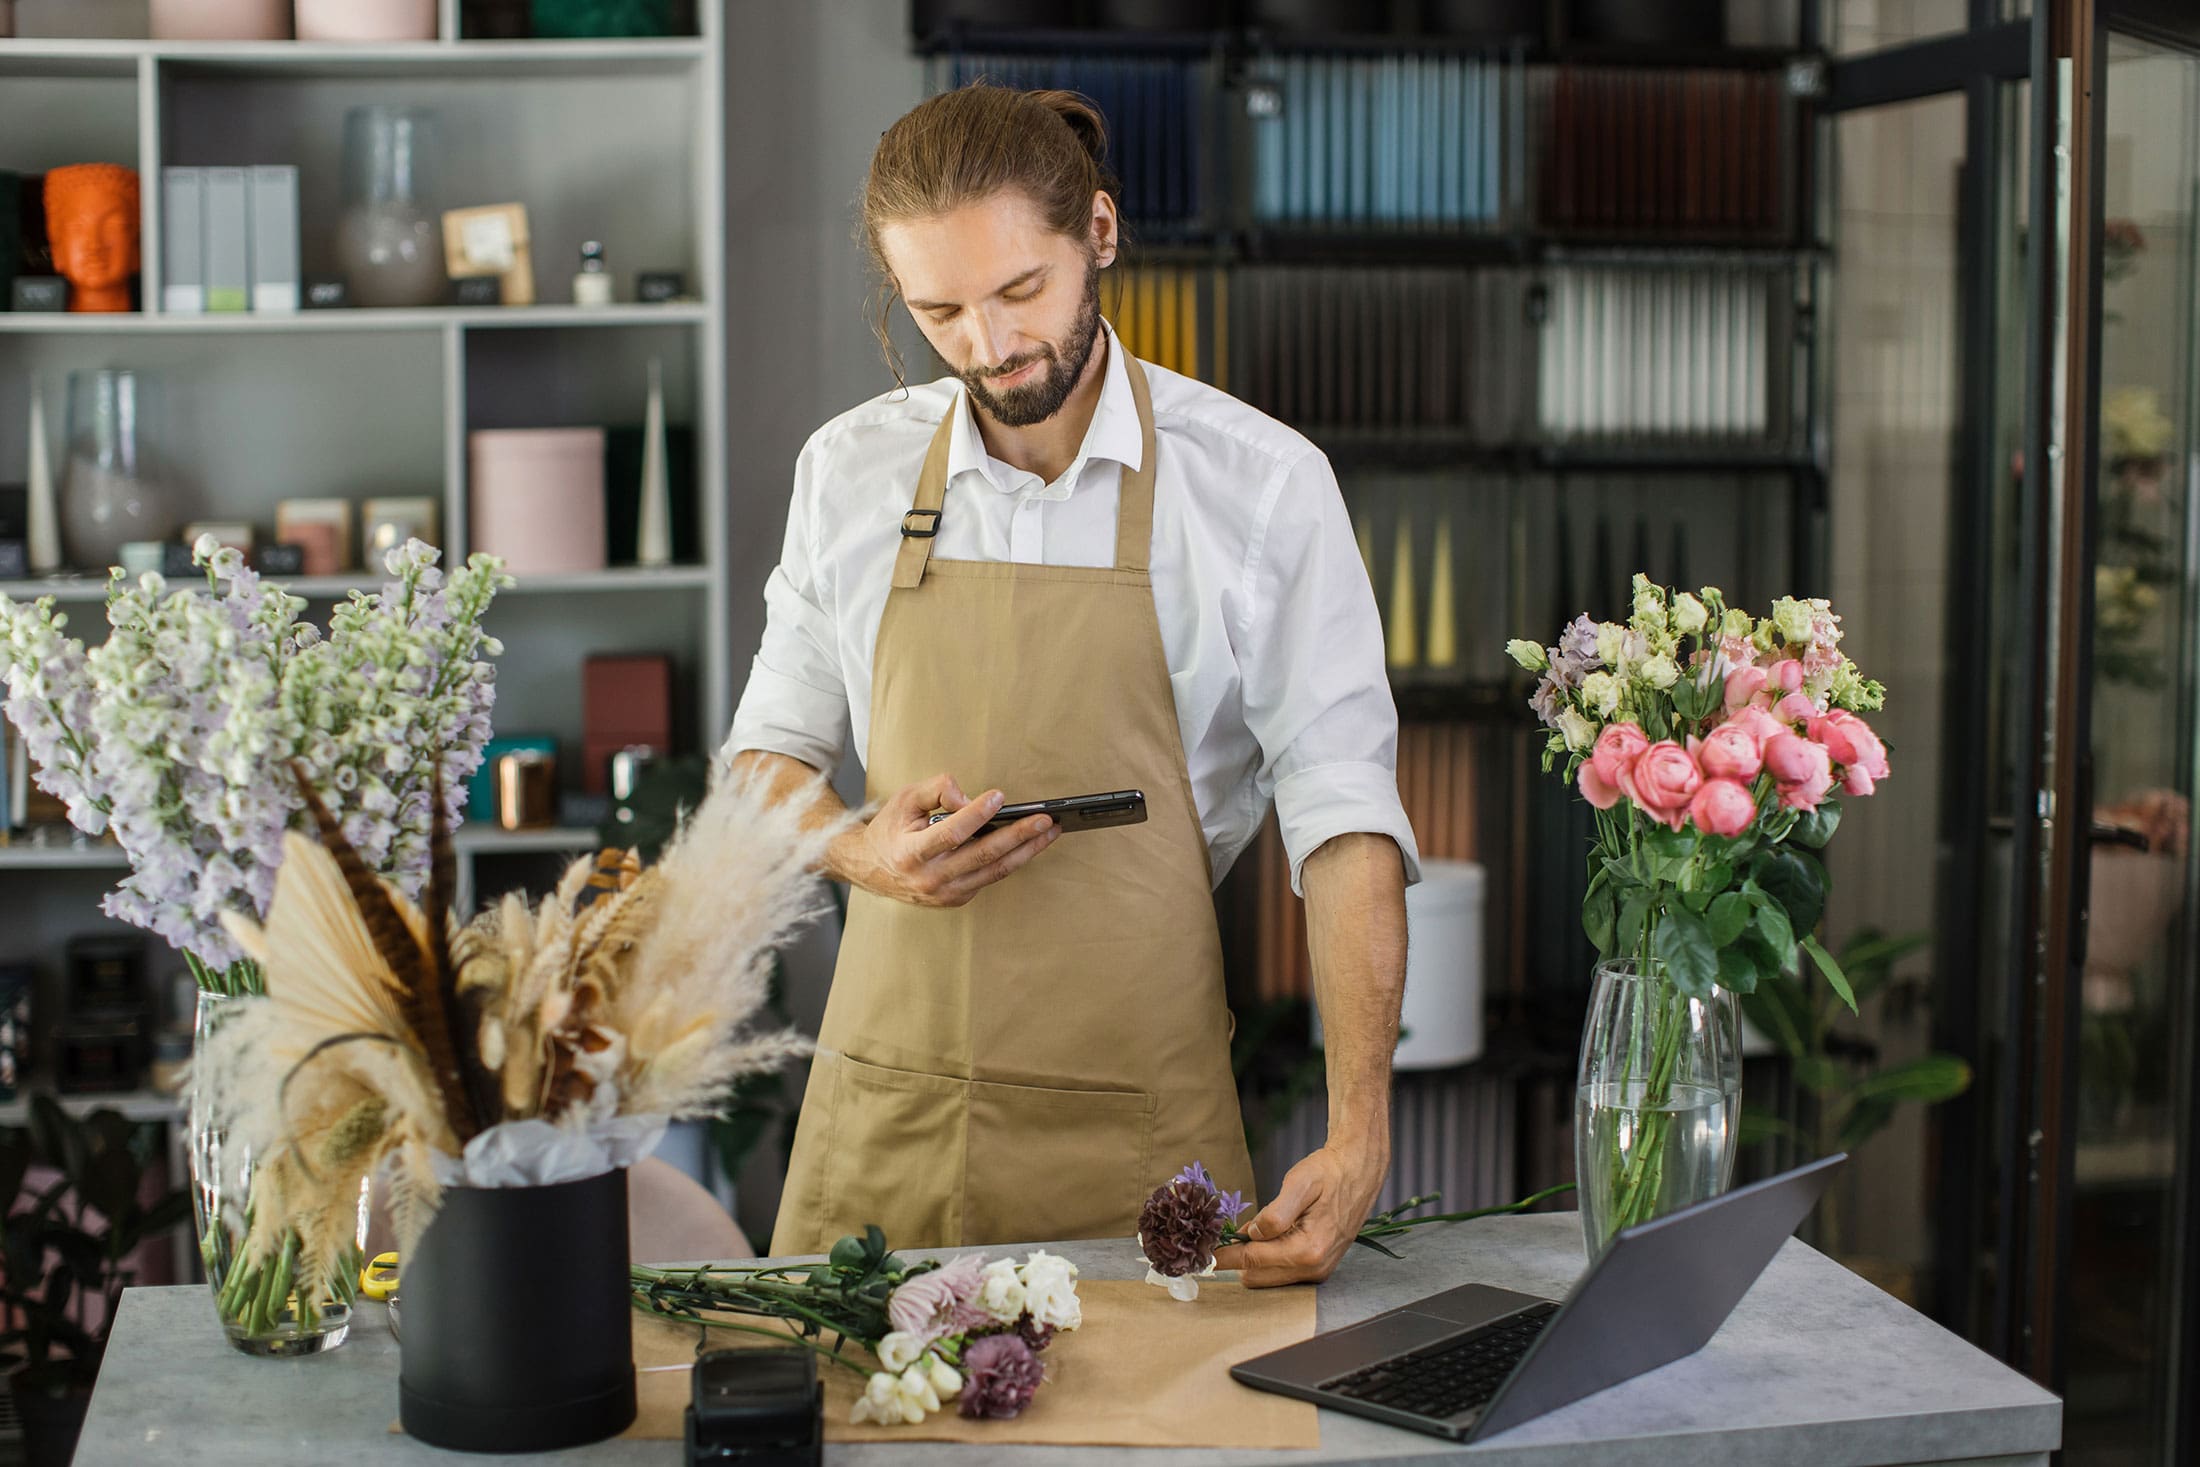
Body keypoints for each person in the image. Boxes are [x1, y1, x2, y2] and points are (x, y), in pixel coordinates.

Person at [730, 83, 1417, 1287]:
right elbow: (761, 764)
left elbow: (1343, 814)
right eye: (937, 310)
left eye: (1019, 292)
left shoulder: (1259, 486)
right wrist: (854, 850)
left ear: (1097, 234)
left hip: (1139, 1129)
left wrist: (1362, 1129)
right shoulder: (848, 471)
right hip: (888, 1119)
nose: (988, 348)